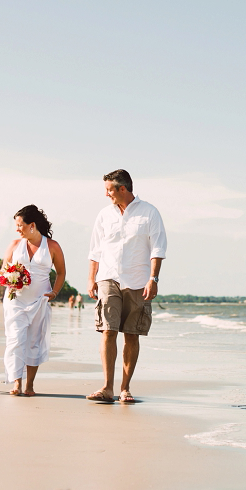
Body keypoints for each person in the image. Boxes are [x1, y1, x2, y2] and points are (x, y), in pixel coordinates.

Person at [86, 169, 167, 404]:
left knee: (131, 334)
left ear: (123, 189)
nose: (106, 194)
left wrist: (154, 279)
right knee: (108, 331)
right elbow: (95, 251)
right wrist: (91, 279)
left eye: (109, 190)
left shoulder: (149, 213)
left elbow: (158, 249)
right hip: (108, 277)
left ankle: (125, 388)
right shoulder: (104, 215)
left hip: (138, 281)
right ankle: (106, 387)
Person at [1, 205, 66, 396]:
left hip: (39, 301)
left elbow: (61, 272)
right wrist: (11, 277)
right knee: (15, 339)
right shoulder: (14, 245)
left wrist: (54, 292)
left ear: (32, 225)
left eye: (20, 225)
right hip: (16, 300)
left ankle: (29, 385)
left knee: (33, 342)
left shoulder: (52, 246)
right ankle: (16, 383)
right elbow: (4, 269)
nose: (17, 229)